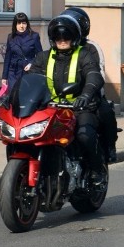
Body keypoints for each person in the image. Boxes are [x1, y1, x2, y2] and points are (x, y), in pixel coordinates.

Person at [26, 11, 106, 179]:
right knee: (28, 136)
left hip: (79, 108)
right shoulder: (43, 57)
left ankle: (96, 171)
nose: (62, 41)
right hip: (50, 109)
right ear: (52, 39)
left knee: (85, 136)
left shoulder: (84, 54)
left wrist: (86, 95)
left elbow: (93, 74)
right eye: (58, 37)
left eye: (66, 37)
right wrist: (11, 97)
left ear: (74, 37)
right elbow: (29, 80)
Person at [60, 6, 119, 163]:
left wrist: (87, 94)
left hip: (89, 98)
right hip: (61, 101)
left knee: (106, 112)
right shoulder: (59, 48)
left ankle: (109, 148)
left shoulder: (91, 48)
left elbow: (96, 73)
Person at [1, 12, 42, 92]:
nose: (21, 26)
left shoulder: (34, 36)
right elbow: (7, 58)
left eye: (24, 23)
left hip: (27, 71)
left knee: (24, 95)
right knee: (13, 95)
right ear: (15, 24)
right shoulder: (11, 37)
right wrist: (4, 77)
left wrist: (31, 64)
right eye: (19, 23)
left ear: (27, 24)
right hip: (13, 72)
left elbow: (40, 55)